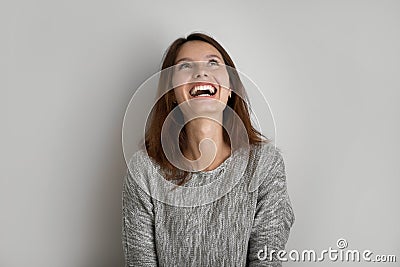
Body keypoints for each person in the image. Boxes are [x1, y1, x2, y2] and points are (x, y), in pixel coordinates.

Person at [122, 32, 295, 266]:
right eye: (185, 66)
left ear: (231, 87)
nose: (201, 72)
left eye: (213, 63)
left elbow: (266, 259)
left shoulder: (265, 165)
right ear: (171, 92)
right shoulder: (144, 170)